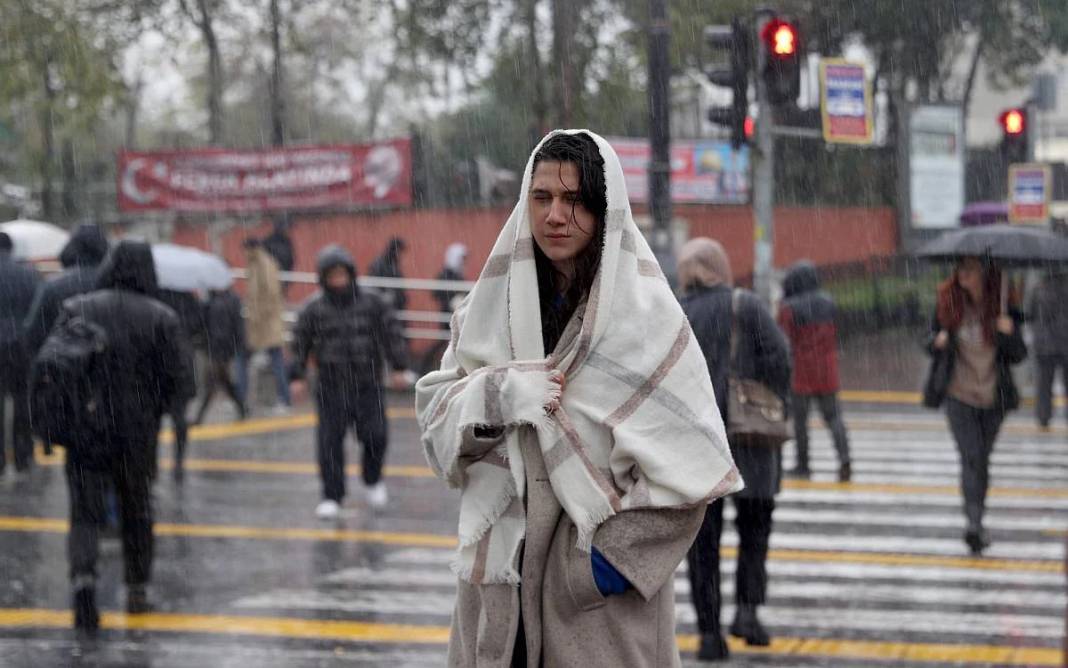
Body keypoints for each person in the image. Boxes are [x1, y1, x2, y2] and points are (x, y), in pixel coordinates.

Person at [416, 131, 740, 666]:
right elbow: (435, 423)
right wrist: (496, 396)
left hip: (595, 616)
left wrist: (596, 570)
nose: (555, 215)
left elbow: (692, 470)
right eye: (542, 198)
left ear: (604, 208)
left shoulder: (646, 320)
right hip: (498, 591)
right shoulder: (491, 308)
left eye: (575, 200)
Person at [57, 240, 193, 634]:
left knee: (83, 511)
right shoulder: (161, 317)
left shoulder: (78, 308)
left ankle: (83, 578)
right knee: (136, 509)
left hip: (86, 428)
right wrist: (155, 407)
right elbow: (183, 381)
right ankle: (136, 587)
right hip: (137, 433)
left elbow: (57, 366)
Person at [678, 238, 792, 658]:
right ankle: (747, 611)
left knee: (702, 541)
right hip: (751, 440)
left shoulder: (677, 312)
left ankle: (710, 634)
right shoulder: (745, 305)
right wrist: (767, 391)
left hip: (698, 443)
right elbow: (781, 358)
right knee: (755, 529)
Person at [292, 245, 411, 520]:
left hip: (367, 383)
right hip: (330, 386)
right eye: (331, 276)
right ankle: (332, 496)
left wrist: (399, 367)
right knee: (329, 444)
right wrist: (296, 376)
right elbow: (299, 343)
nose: (338, 280)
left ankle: (372, 480)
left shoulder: (373, 303)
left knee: (376, 436)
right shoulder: (313, 309)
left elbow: (391, 334)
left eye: (341, 274)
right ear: (323, 278)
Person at [928, 257, 1026, 555]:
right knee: (971, 457)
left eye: (968, 271)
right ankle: (973, 523)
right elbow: (928, 340)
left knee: (981, 460)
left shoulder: (1003, 305)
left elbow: (1019, 354)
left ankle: (977, 518)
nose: (962, 277)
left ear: (984, 275)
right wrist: (938, 340)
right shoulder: (948, 304)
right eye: (959, 271)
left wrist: (1008, 332)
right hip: (959, 396)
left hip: (993, 397)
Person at [23, 224, 109, 457]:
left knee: (78, 456)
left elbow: (33, 335)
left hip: (70, 382)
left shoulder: (54, 287)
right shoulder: (113, 283)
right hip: (111, 384)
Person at [778, 260, 852, 481]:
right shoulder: (829, 303)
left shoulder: (789, 308)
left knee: (800, 422)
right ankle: (845, 458)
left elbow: (783, 342)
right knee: (834, 418)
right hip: (827, 370)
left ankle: (803, 465)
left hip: (801, 372)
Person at [155, 289, 206, 483]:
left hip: (160, 366)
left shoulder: (157, 297)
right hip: (182, 363)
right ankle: (178, 459)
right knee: (179, 418)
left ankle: (155, 460)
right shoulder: (189, 300)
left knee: (155, 418)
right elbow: (199, 325)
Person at [0, 232, 40, 474]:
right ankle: (23, 455)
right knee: (23, 398)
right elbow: (40, 311)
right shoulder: (28, 274)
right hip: (23, 345)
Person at [239, 238, 291, 412]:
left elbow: (271, 293)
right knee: (270, 360)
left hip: (266, 324)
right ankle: (241, 398)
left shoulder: (264, 264)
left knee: (275, 360)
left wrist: (258, 315)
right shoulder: (256, 264)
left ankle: (284, 399)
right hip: (261, 324)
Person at [194, 287, 248, 425]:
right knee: (222, 381)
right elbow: (202, 322)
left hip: (225, 347)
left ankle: (199, 417)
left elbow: (238, 325)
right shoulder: (208, 300)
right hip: (212, 347)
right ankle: (242, 408)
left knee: (214, 382)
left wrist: (238, 345)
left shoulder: (232, 300)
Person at [1026, 271, 1068, 430]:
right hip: (1066, 343)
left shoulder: (1038, 288)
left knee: (1044, 384)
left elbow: (1030, 314)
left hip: (1044, 345)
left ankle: (1044, 416)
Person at [368, 236, 409, 313]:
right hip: (386, 306)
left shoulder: (391, 263)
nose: (400, 255)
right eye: (399, 251)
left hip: (393, 305)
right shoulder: (382, 264)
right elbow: (376, 285)